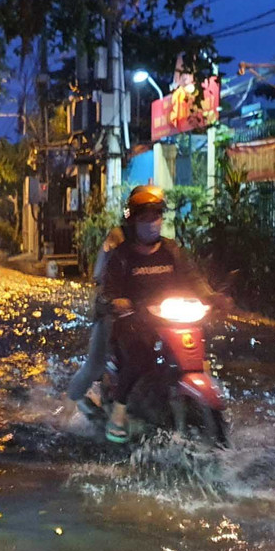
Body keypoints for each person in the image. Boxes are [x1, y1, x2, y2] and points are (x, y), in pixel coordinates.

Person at [98, 185, 213, 443]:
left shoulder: (172, 251)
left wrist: (210, 296)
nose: (152, 222)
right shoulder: (122, 255)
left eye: (156, 216)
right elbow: (107, 291)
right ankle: (119, 412)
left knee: (199, 344)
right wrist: (117, 302)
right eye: (146, 217)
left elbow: (194, 278)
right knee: (140, 355)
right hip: (134, 324)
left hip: (170, 321)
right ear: (134, 221)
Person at [67, 221, 124, 418]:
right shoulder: (117, 238)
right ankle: (68, 410)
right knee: (95, 365)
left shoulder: (162, 247)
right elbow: (100, 277)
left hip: (145, 314)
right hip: (111, 310)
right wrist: (111, 301)